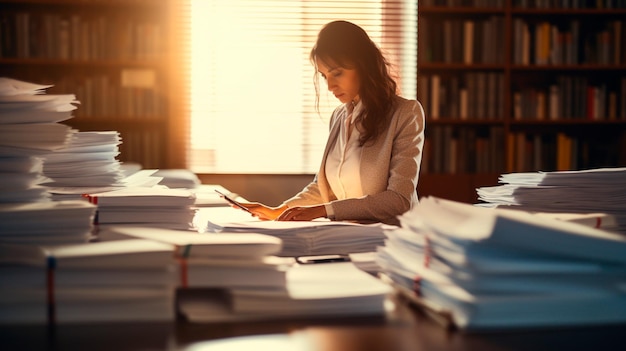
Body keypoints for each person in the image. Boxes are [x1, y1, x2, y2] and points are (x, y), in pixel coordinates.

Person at [241, 20, 425, 225]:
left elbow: (399, 200)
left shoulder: (406, 113)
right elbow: (323, 188)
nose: (329, 85)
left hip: (390, 239)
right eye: (324, 75)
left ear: (365, 65)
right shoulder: (339, 116)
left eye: (337, 73)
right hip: (346, 235)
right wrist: (281, 210)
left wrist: (324, 211)